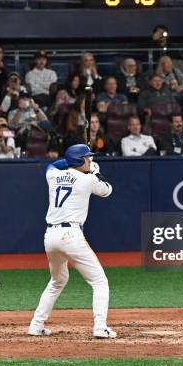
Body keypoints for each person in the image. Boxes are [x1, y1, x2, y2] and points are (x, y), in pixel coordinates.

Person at [29, 144, 116, 339]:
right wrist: (96, 171)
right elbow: (108, 190)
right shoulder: (87, 180)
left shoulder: (53, 176)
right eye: (87, 158)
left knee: (57, 280)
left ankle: (36, 324)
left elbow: (51, 165)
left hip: (50, 237)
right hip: (71, 236)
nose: (90, 160)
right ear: (79, 161)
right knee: (99, 281)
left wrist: (74, 162)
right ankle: (100, 327)